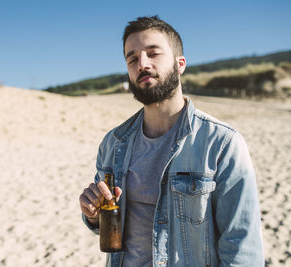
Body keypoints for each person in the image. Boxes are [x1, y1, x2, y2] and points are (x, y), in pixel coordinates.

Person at [79, 16, 264, 267]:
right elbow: (108, 229)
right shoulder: (113, 144)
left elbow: (242, 246)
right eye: (132, 58)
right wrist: (92, 215)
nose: (142, 64)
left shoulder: (221, 143)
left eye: (153, 53)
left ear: (180, 64)